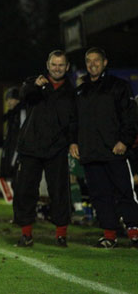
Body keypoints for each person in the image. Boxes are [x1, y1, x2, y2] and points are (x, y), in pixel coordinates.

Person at [71, 47, 138, 248]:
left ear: (105, 62)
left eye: (96, 60)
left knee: (124, 191)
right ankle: (109, 235)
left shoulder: (119, 86)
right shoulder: (81, 91)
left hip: (114, 151)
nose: (92, 64)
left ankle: (134, 230)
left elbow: (130, 118)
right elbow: (74, 121)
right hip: (91, 153)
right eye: (89, 61)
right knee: (100, 195)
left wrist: (124, 141)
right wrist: (73, 141)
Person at [13, 50, 76, 247]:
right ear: (48, 65)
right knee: (25, 191)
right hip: (31, 147)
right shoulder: (35, 83)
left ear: (67, 67)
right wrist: (34, 85)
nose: (57, 68)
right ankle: (26, 234)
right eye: (54, 64)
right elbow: (22, 95)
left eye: (61, 65)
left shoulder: (71, 92)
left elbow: (74, 121)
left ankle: (61, 234)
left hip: (56, 148)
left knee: (59, 192)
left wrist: (73, 141)